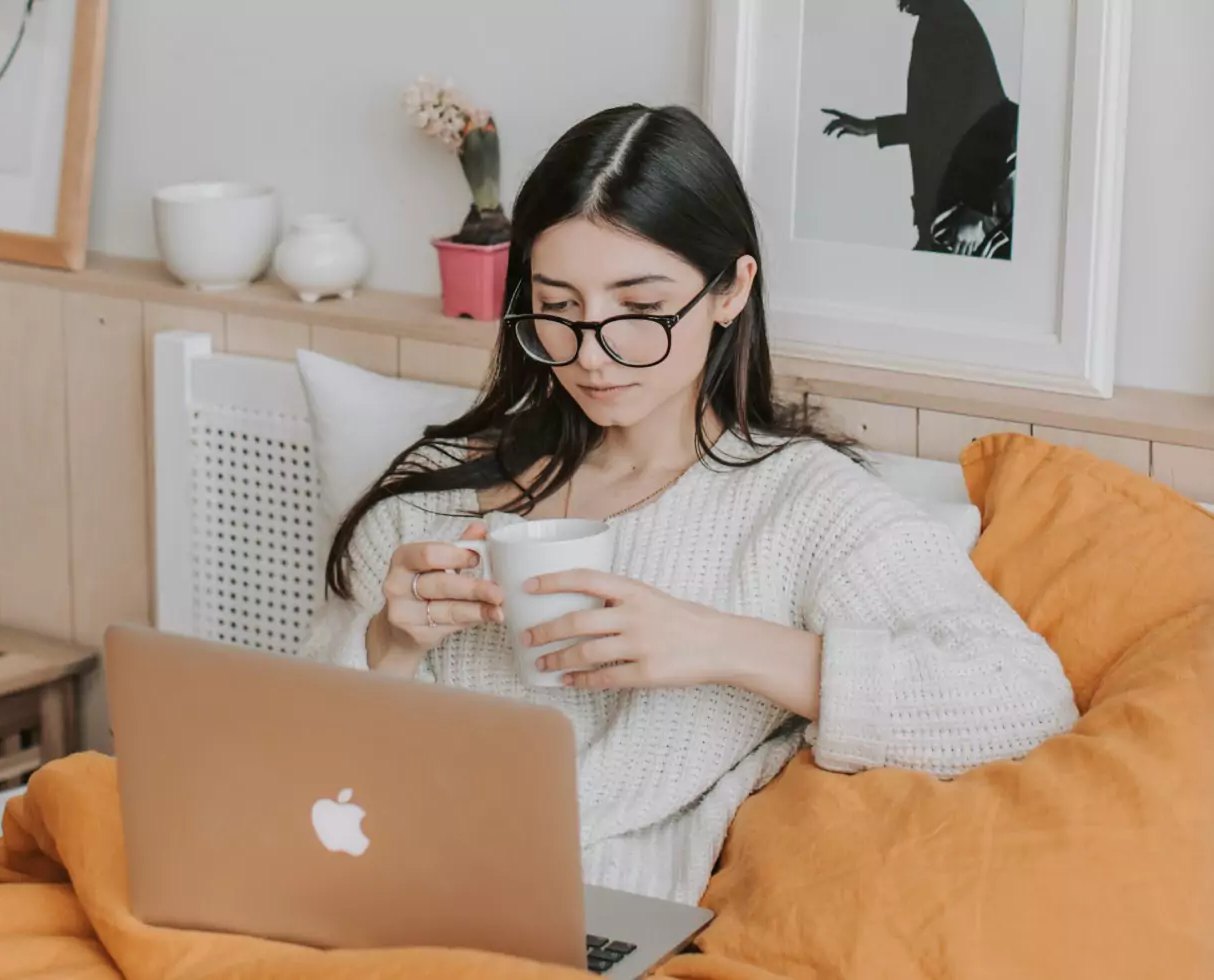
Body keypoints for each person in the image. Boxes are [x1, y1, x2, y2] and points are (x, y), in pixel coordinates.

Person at [299, 104, 1077, 904]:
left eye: (639, 311)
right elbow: (299, 769)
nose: (594, 353)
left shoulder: (800, 507)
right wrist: (389, 644)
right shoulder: (428, 501)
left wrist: (722, 645)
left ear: (731, 291)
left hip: (585, 922)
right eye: (560, 309)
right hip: (373, 892)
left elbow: (1024, 700)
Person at [820, 0, 1016, 255]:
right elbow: (939, 118)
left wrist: (980, 213)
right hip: (951, 215)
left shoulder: (948, 19)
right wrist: (873, 127)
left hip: (965, 222)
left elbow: (990, 116)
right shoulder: (938, 18)